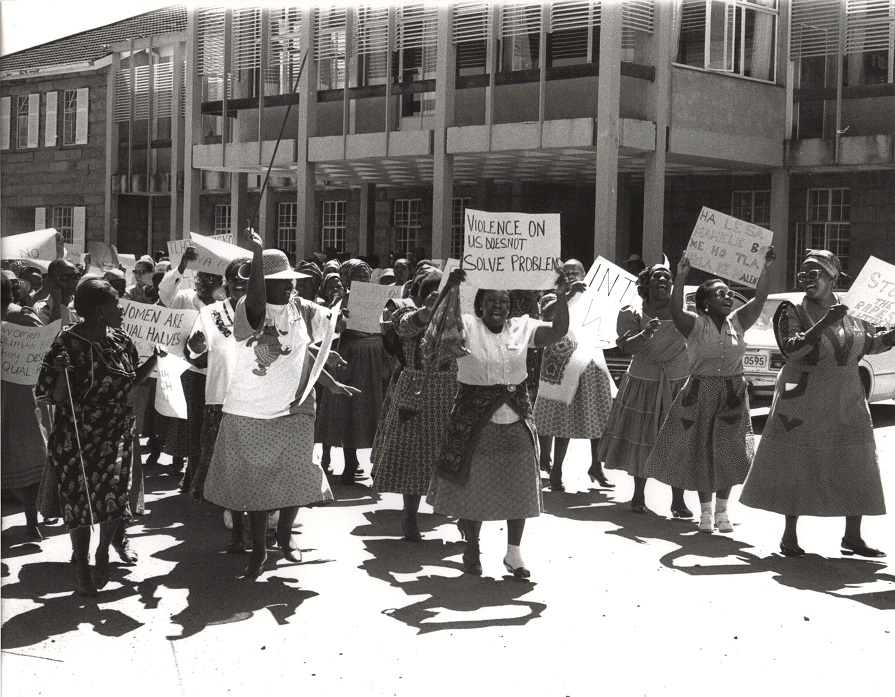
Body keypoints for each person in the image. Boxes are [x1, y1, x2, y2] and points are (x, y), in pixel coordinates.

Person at [203, 233, 355, 578]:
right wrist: (256, 252)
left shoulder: (300, 307)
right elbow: (257, 296)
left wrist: (336, 307)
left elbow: (317, 340)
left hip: (294, 407)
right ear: (261, 284)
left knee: (299, 474)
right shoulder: (248, 309)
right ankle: (259, 550)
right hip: (251, 410)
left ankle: (284, 536)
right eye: (279, 283)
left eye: (290, 282)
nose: (288, 288)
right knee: (258, 489)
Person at [428, 269, 582, 579]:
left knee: (520, 486)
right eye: (491, 300)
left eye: (504, 301)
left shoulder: (522, 327)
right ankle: (472, 546)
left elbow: (557, 332)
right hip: (475, 419)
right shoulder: (465, 326)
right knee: (473, 485)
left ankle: (514, 554)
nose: (498, 306)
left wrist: (562, 298)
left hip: (516, 417)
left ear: (510, 307)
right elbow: (435, 330)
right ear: (480, 304)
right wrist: (451, 287)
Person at [740, 250, 891, 557]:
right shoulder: (792, 308)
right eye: (804, 274)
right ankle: (790, 536)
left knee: (855, 463)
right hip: (805, 395)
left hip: (847, 395)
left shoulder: (853, 309)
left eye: (815, 274)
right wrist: (823, 323)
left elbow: (870, 343)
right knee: (798, 463)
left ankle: (853, 537)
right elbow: (792, 349)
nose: (808, 280)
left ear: (833, 277)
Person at [35, 279, 156, 596]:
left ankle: (104, 550)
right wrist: (61, 371)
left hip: (115, 432)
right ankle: (83, 567)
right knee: (80, 503)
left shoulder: (122, 341)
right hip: (76, 435)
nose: (121, 309)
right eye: (116, 303)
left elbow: (131, 383)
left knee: (114, 496)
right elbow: (56, 397)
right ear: (100, 310)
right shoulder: (67, 343)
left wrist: (156, 361)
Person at [643, 247, 775, 534]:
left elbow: (761, 298)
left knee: (728, 450)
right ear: (704, 302)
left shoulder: (739, 321)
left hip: (731, 393)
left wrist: (765, 268)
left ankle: (723, 512)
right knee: (702, 450)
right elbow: (675, 310)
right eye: (720, 293)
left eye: (729, 293)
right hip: (699, 392)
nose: (728, 297)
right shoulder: (693, 323)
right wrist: (680, 276)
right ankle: (705, 513)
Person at [372, 267, 457, 540]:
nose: (436, 299)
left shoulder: (458, 320)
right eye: (429, 294)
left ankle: (454, 512)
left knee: (451, 456)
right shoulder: (404, 314)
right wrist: (428, 309)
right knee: (414, 457)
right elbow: (407, 325)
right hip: (416, 390)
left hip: (450, 392)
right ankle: (410, 517)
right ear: (418, 297)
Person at [600, 264, 692, 516]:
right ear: (646, 284)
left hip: (676, 384)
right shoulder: (632, 312)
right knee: (642, 439)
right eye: (657, 275)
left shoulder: (684, 313)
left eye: (668, 276)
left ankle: (678, 501)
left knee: (677, 440)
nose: (663, 278)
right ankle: (639, 495)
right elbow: (627, 347)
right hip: (643, 383)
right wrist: (644, 335)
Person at [182, 256, 250, 551]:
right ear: (226, 283)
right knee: (225, 458)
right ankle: (231, 507)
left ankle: (262, 510)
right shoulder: (210, 314)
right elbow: (193, 355)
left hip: (259, 399)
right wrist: (194, 347)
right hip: (221, 397)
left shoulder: (269, 312)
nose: (240, 285)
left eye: (247, 280)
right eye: (234, 279)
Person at [534, 259, 615, 492]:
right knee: (563, 418)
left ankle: (596, 466)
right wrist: (567, 295)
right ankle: (556, 469)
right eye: (566, 272)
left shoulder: (595, 297)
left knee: (599, 414)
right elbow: (547, 316)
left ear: (584, 273)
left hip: (591, 364)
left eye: (575, 272)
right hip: (563, 367)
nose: (570, 276)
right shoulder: (556, 294)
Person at [316, 259, 392, 484]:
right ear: (347, 278)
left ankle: (378, 465)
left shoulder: (382, 299)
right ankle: (350, 465)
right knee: (349, 410)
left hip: (376, 357)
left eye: (366, 276)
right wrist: (339, 319)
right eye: (358, 276)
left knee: (377, 410)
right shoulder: (340, 301)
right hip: (352, 360)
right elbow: (330, 332)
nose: (363, 280)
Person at [158, 246, 224, 476]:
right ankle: (188, 470)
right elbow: (165, 294)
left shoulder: (225, 304)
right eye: (200, 277)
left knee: (211, 425)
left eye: (211, 278)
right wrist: (182, 265)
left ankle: (202, 473)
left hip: (216, 373)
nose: (204, 282)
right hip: (189, 370)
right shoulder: (185, 298)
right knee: (190, 422)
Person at [1, 275, 48, 541]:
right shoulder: (25, 316)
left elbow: (43, 351)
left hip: (19, 400)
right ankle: (31, 524)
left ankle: (32, 523)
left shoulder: (23, 317)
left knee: (29, 463)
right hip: (20, 401)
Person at [33, 258, 80, 325]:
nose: (72, 281)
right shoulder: (41, 309)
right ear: (52, 281)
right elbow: (52, 333)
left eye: (75, 276)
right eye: (65, 277)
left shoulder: (81, 305)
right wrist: (56, 302)